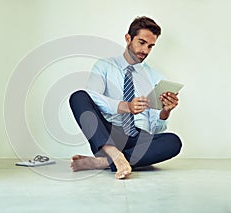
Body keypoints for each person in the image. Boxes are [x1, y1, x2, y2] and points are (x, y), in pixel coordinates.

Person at [69, 16, 182, 179]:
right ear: (128, 38)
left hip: (137, 137)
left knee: (173, 141)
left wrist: (165, 112)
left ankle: (103, 162)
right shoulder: (105, 66)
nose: (145, 51)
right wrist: (125, 106)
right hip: (108, 133)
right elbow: (92, 97)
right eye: (142, 43)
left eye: (151, 46)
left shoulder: (155, 77)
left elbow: (156, 129)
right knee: (78, 97)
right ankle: (113, 154)